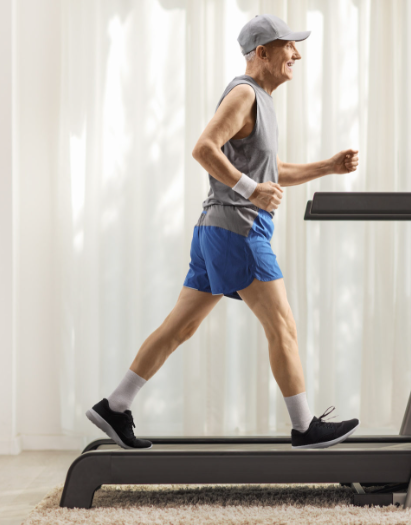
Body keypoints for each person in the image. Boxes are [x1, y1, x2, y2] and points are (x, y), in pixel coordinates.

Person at [86, 14, 361, 451]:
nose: (297, 54)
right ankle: (305, 427)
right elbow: (203, 148)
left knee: (181, 326)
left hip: (216, 229)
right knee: (283, 326)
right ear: (262, 52)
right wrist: (251, 191)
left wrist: (326, 166)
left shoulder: (262, 100)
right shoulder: (244, 93)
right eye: (289, 45)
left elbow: (271, 171)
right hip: (238, 231)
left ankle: (115, 406)